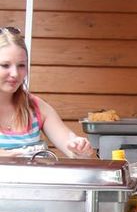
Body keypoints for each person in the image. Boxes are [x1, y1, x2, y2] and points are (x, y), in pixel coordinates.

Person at [0, 27, 94, 158]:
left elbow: (69, 143)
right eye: (5, 65)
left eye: (21, 65)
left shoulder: (35, 106)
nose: (15, 73)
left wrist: (79, 147)